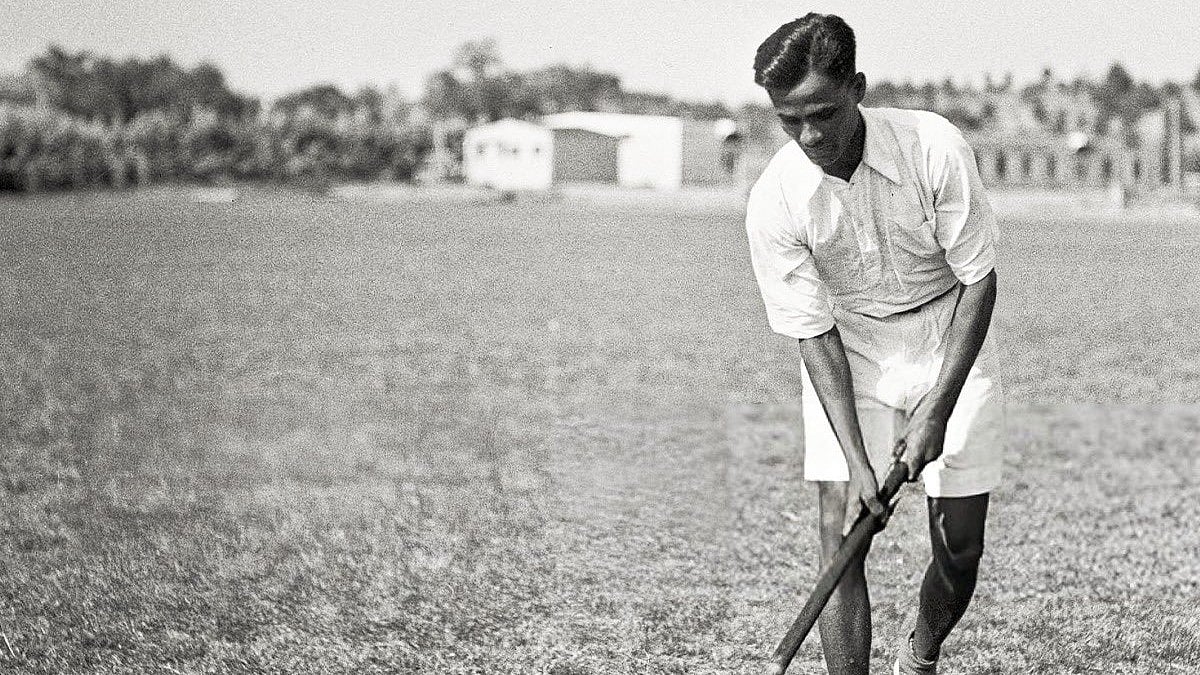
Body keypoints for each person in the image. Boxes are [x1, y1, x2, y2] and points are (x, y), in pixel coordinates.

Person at [744, 13, 1006, 675]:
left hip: (950, 332)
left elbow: (979, 280)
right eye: (789, 120)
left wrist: (936, 411)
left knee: (960, 547)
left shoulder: (934, 147)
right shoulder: (775, 198)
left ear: (858, 87)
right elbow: (813, 332)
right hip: (850, 347)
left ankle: (919, 652)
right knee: (840, 532)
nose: (809, 135)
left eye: (825, 113)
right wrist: (860, 464)